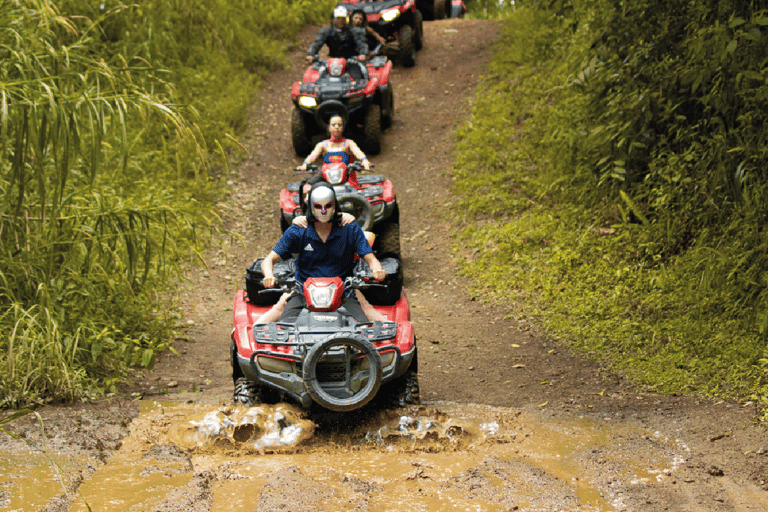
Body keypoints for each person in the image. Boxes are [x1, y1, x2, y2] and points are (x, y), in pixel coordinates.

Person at [262, 183, 386, 323]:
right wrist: (269, 275)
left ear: (334, 205)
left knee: (365, 328)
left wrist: (377, 269)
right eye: (317, 206)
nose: (323, 211)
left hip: (343, 292)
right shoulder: (298, 229)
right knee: (283, 331)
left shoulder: (349, 228)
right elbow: (269, 259)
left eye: (328, 206)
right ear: (310, 206)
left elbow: (370, 258)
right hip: (303, 291)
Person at [298, 115, 371, 174]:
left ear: (342, 128)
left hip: (347, 177)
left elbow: (358, 152)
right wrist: (306, 163)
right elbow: (313, 155)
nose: (336, 127)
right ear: (329, 128)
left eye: (339, 125)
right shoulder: (322, 144)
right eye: (333, 125)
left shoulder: (349, 143)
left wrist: (364, 160)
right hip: (327, 177)